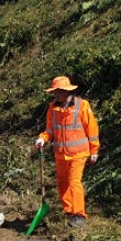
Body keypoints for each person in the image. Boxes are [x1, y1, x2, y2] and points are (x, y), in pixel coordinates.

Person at [35, 76, 100, 227]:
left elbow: (92, 129)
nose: (57, 94)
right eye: (55, 92)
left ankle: (79, 214)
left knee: (74, 182)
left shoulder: (82, 106)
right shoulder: (53, 108)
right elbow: (50, 129)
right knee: (62, 183)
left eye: (59, 91)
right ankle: (69, 211)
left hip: (78, 153)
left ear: (67, 91)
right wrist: (43, 138)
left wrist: (94, 150)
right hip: (60, 153)